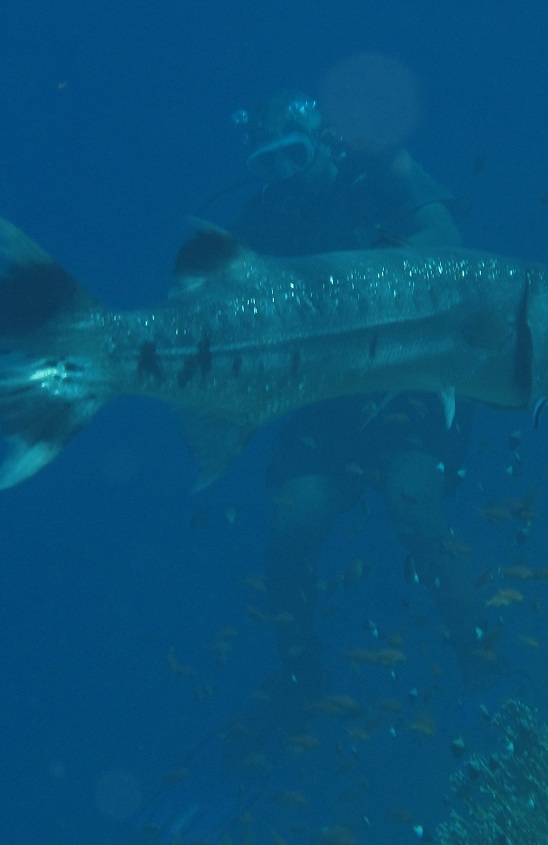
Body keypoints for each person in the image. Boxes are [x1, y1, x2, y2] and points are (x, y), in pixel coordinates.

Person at [225, 91, 493, 717]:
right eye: (269, 164)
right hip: (326, 401)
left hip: (411, 382)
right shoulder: (259, 224)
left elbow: (444, 239)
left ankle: (482, 661)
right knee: (291, 529)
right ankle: (301, 679)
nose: (286, 174)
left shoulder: (380, 175)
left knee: (414, 506)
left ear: (319, 142)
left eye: (295, 154)